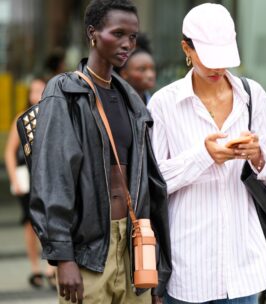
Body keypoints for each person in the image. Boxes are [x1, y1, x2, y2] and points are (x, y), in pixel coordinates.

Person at [28, 0, 171, 303]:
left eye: (132, 36)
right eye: (117, 33)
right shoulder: (64, 91)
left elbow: (149, 182)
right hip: (89, 252)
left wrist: (156, 263)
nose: (127, 44)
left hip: (133, 244)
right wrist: (63, 257)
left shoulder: (131, 99)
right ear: (93, 33)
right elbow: (53, 177)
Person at [147, 3, 266, 304]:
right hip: (188, 268)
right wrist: (204, 156)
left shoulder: (253, 96)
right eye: (209, 59)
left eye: (223, 58)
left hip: (244, 265)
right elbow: (154, 182)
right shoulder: (164, 104)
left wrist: (257, 156)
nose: (217, 68)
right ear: (186, 49)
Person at [5, 77, 56, 289]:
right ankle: (36, 268)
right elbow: (9, 152)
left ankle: (51, 268)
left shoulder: (54, 115)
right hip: (26, 180)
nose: (36, 94)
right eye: (33, 90)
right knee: (30, 225)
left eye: (41, 89)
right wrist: (14, 180)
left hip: (50, 179)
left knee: (52, 221)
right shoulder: (21, 118)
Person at [116, 34, 156, 105]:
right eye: (142, 69)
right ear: (124, 73)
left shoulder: (156, 102)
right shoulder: (117, 104)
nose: (150, 75)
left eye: (152, 68)